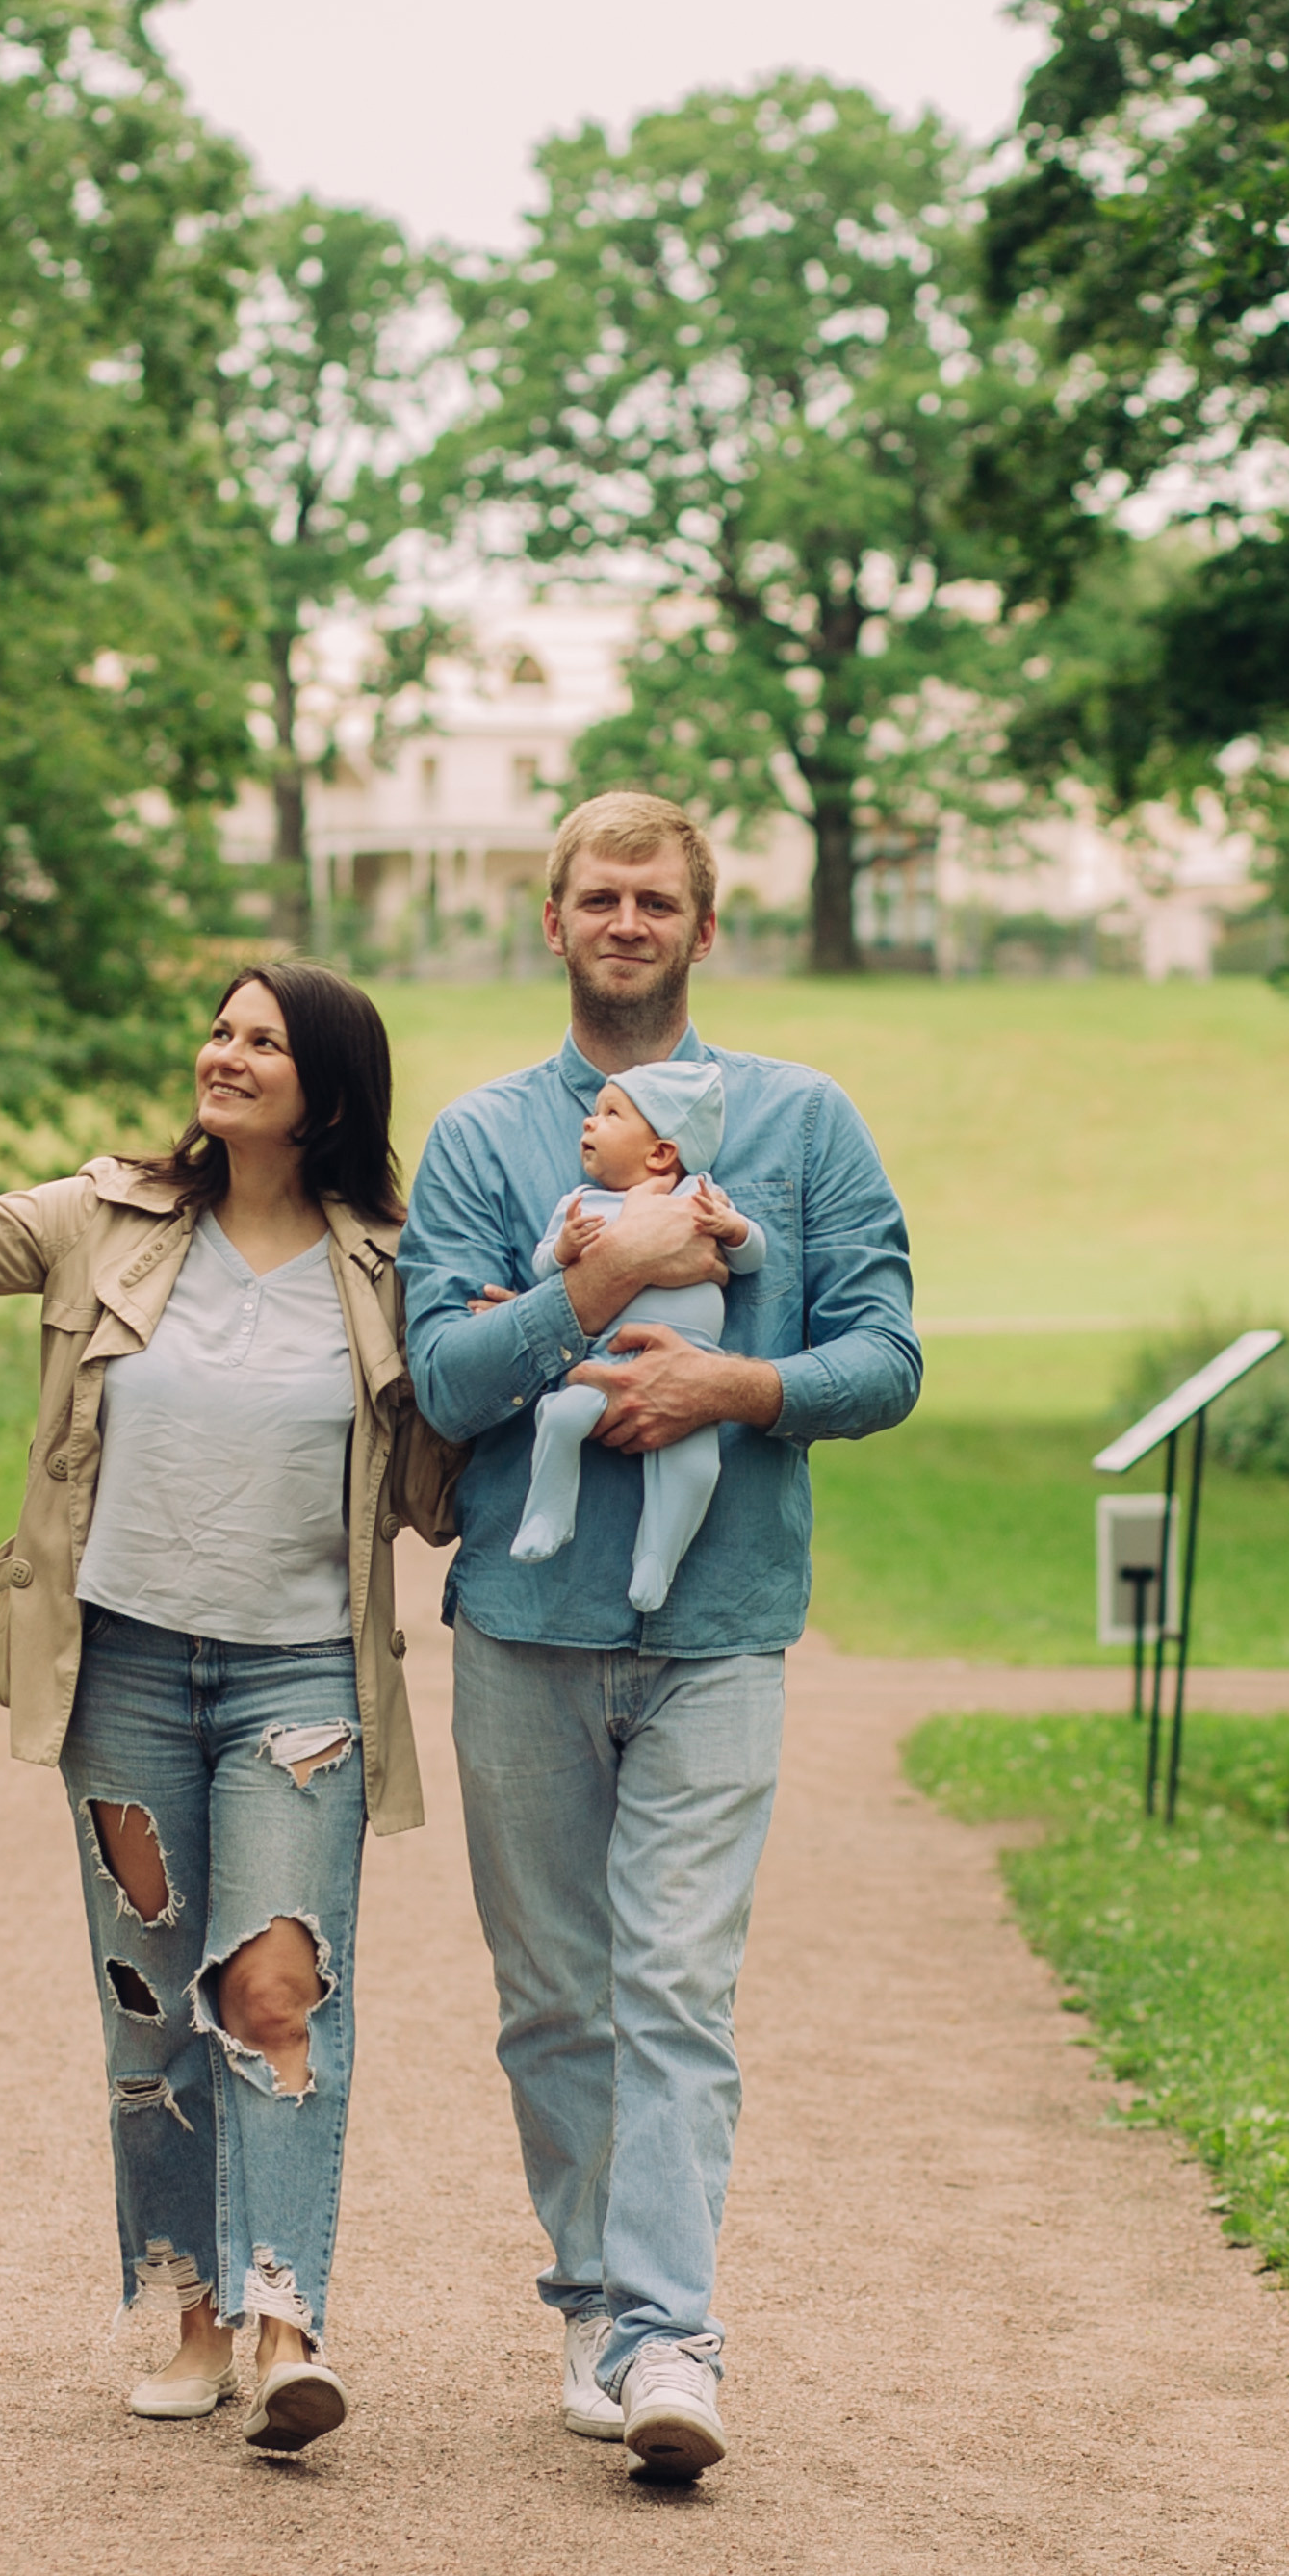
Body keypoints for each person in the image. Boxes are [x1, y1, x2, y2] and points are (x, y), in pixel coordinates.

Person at [0, 933, 458, 2458]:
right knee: (148, 2010)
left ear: (326, 1093)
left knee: (273, 1992)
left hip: (298, 1678)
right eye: (218, 1030)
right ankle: (179, 2310)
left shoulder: (392, 1260)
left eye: (260, 1041)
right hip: (122, 1669)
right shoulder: (102, 1219)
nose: (221, 1053)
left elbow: (454, 1456)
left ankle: (285, 2318)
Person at [398, 795, 919, 2482]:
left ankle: (669, 2334)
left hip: (721, 1633)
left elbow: (887, 1354)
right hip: (523, 1631)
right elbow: (449, 1382)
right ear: (550, 922)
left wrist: (736, 1384)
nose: (626, 921)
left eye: (656, 899)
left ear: (705, 929)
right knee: (555, 1995)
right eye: (597, 897)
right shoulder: (481, 1144)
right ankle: (594, 2299)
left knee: (677, 1985)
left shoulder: (803, 1125)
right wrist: (606, 1277)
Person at [510, 1060, 768, 1613]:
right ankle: (547, 1513)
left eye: (609, 1113)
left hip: (695, 1369)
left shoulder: (701, 1196)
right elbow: (542, 1268)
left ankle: (657, 1559)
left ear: (660, 1153)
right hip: (610, 1360)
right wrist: (566, 1250)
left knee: (697, 1467)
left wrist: (735, 1230)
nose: (587, 1122)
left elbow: (752, 1257)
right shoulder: (582, 1205)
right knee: (560, 1416)